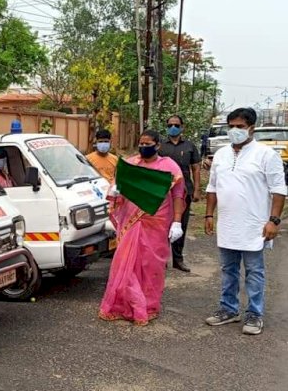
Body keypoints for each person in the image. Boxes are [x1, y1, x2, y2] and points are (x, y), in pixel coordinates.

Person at [204, 107, 286, 336]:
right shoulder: (221, 154)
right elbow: (212, 187)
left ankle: (254, 314)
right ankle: (229, 309)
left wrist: (274, 220)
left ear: (252, 128)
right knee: (228, 269)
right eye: (231, 126)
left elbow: (279, 191)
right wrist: (209, 214)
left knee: (254, 271)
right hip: (228, 224)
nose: (234, 131)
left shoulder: (266, 155)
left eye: (239, 127)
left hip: (254, 226)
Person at [99, 129, 185, 326]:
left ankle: (147, 305)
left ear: (158, 146)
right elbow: (117, 187)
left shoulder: (169, 167)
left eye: (148, 144)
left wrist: (177, 221)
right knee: (125, 263)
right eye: (141, 143)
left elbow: (178, 195)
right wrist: (114, 189)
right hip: (131, 221)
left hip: (157, 222)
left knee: (150, 265)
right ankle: (125, 305)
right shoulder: (130, 164)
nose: (144, 147)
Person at [158, 114, 202, 272]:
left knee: (181, 225)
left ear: (182, 127)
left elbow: (196, 168)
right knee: (163, 226)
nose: (173, 128)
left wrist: (196, 189)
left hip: (184, 192)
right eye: (169, 125)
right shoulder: (161, 146)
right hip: (164, 193)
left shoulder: (190, 146)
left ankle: (178, 259)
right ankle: (162, 259)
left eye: (176, 125)